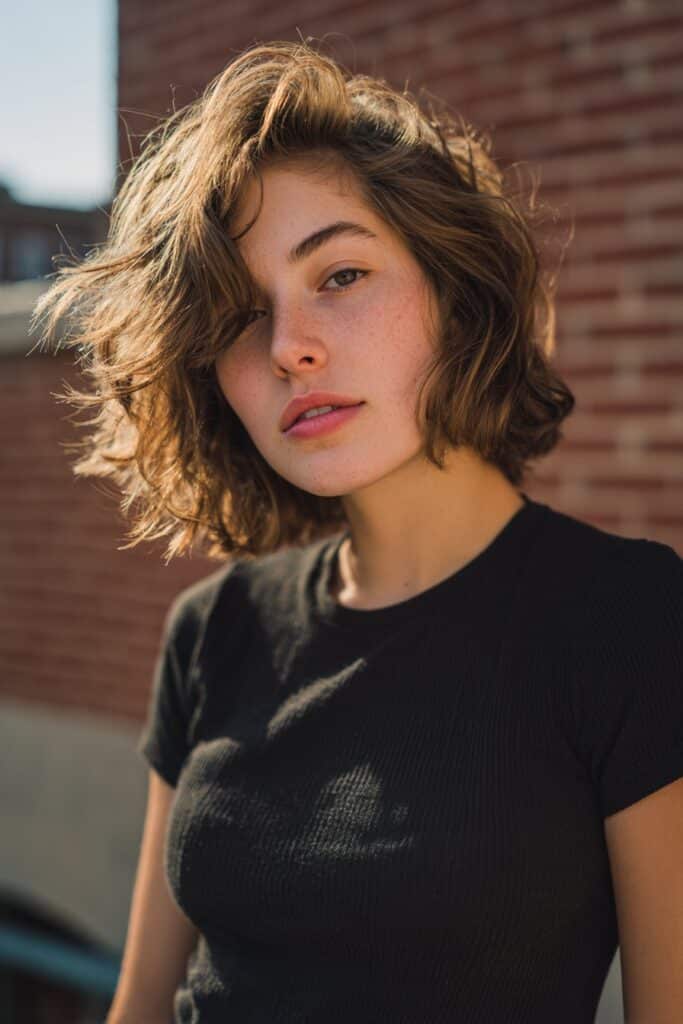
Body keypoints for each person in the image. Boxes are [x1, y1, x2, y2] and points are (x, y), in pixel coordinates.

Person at [33, 38, 682, 1024]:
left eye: (337, 274)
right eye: (240, 317)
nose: (289, 345)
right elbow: (137, 1006)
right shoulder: (215, 630)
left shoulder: (623, 620)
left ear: (451, 294)